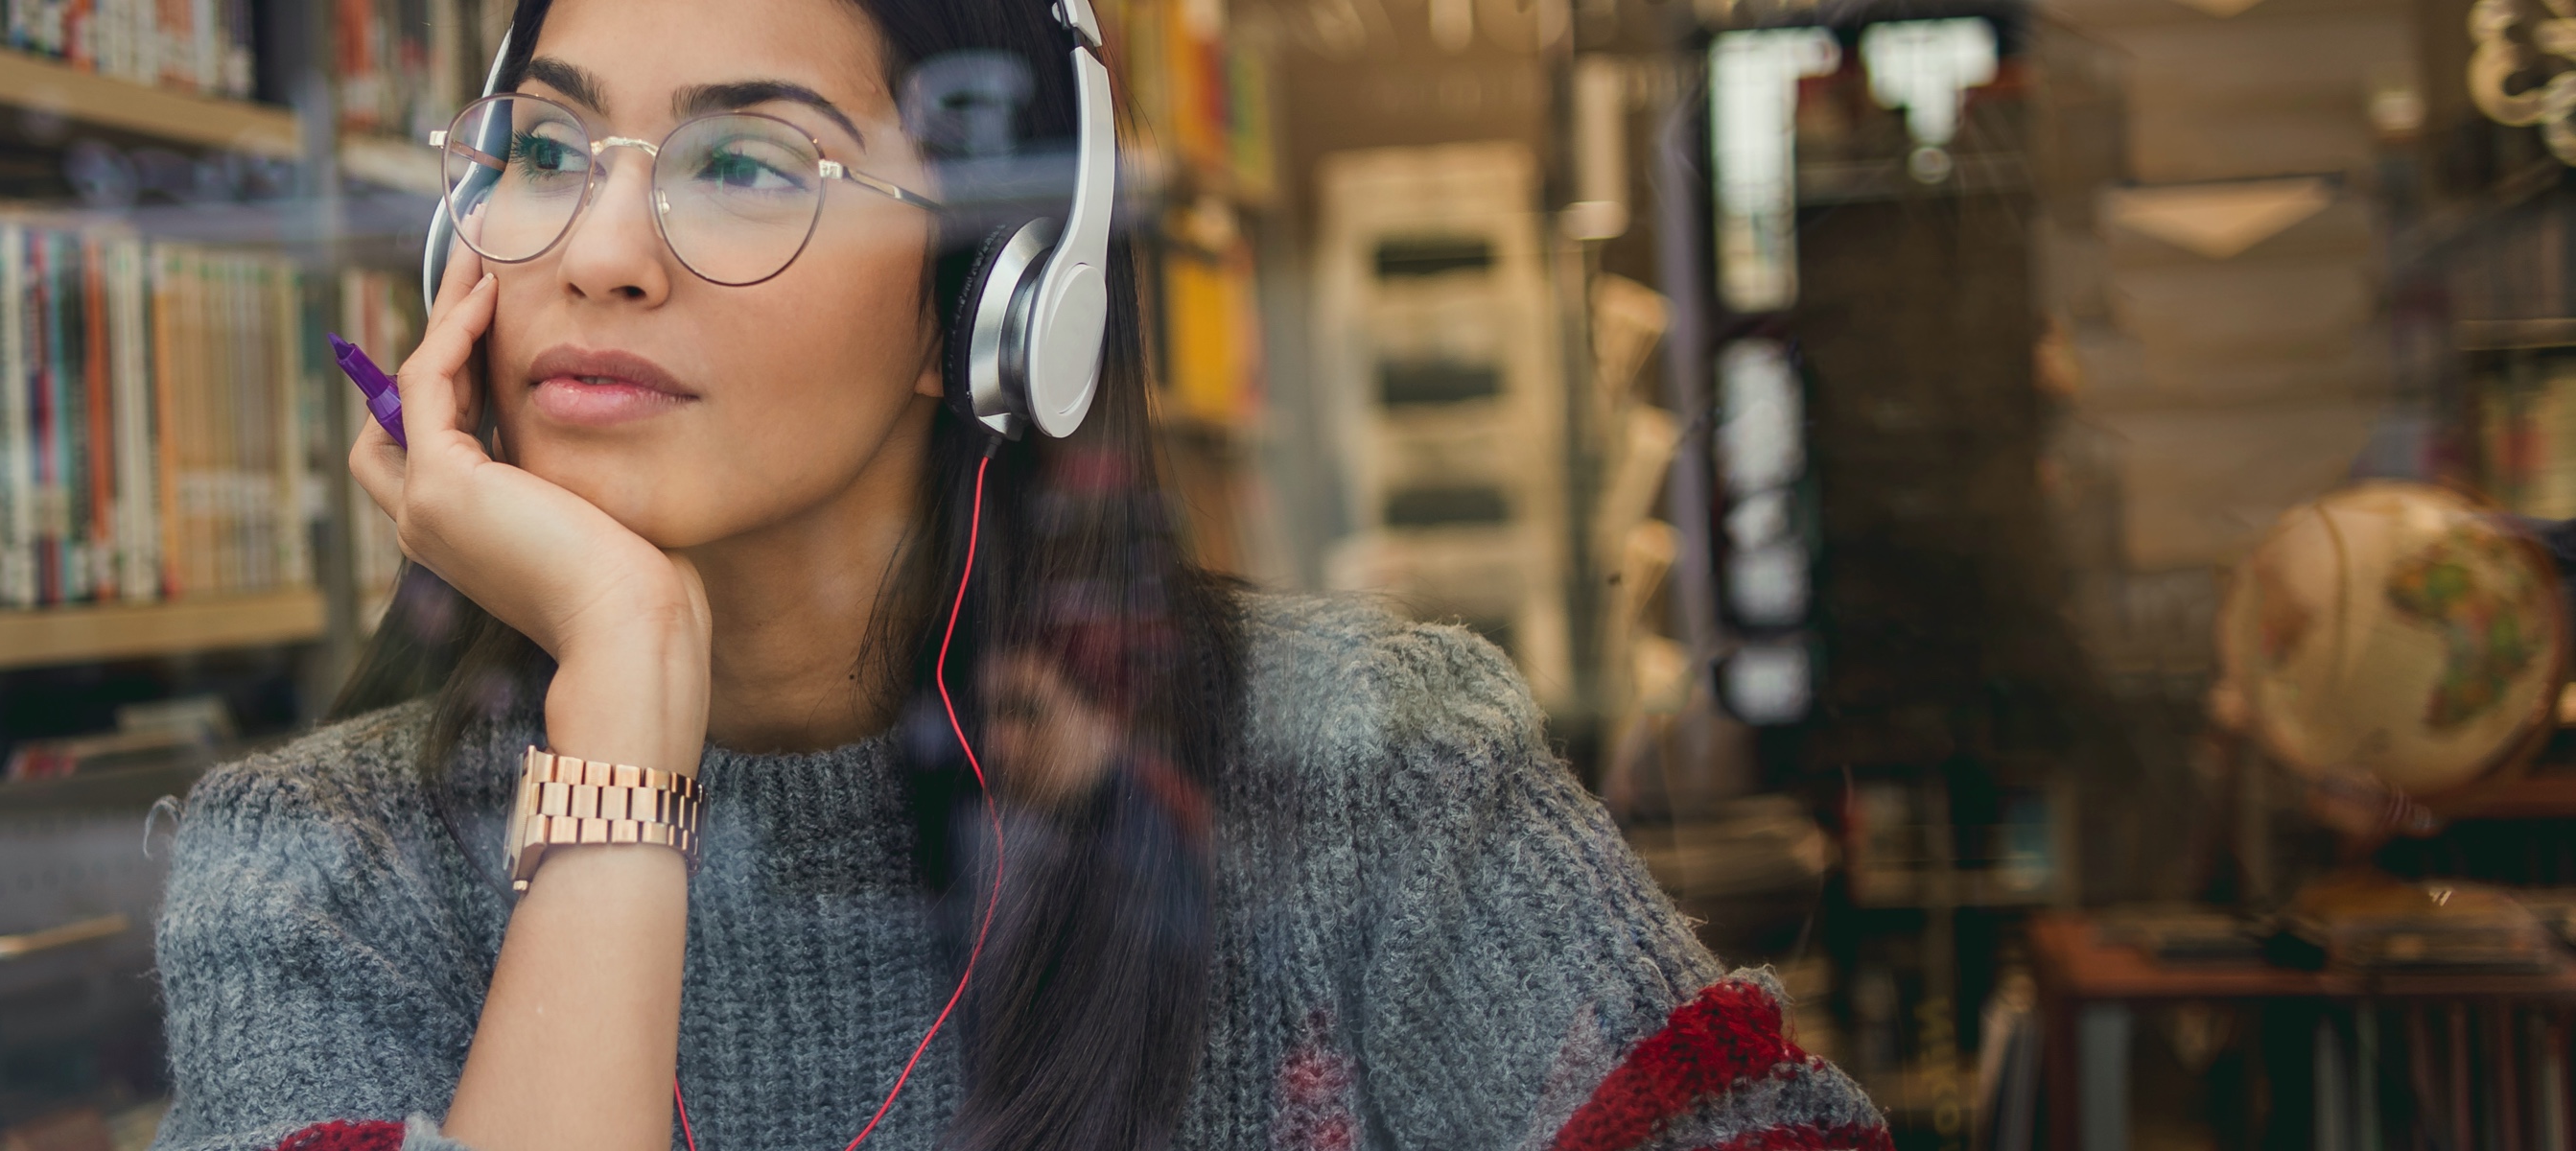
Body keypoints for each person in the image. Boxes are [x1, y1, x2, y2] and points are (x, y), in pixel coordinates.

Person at [152, 0, 1887, 1147]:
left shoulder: (1374, 776)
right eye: (541, 151)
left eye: (744, 166)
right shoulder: (311, 873)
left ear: (993, 295)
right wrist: (621, 671)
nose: (597, 252)